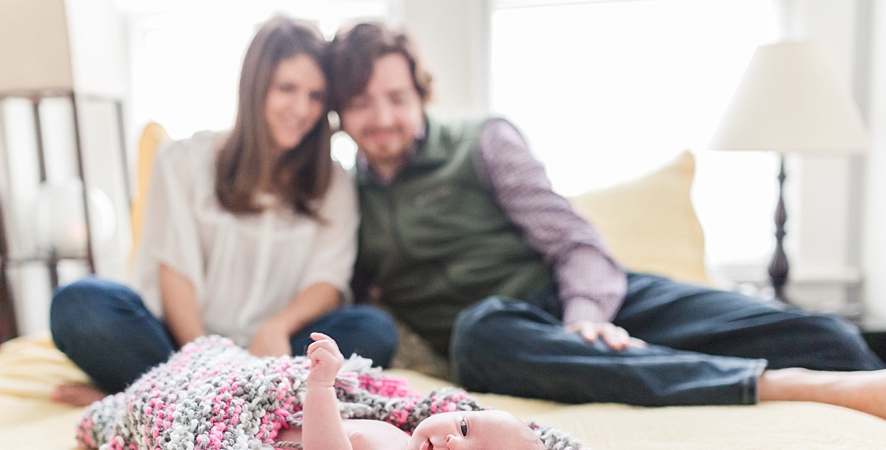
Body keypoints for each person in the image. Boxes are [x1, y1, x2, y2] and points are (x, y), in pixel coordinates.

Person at [327, 21, 886, 421]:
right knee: (477, 335)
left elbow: (576, 244)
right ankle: (768, 385)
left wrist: (586, 318)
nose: (381, 119)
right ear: (340, 115)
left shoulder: (482, 141)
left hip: (581, 301)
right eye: (361, 104)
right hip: (508, 337)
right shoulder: (344, 198)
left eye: (396, 98)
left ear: (420, 94)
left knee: (826, 335)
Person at [49, 17, 398, 407]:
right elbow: (175, 272)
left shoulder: (333, 181)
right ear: (255, 86)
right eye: (287, 88)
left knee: (375, 331)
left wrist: (277, 326)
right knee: (78, 305)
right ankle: (220, 401)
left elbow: (328, 281)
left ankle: (149, 401)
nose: (302, 108)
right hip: (180, 347)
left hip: (274, 353)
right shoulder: (181, 161)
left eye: (316, 96)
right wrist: (204, 362)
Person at [272, 333, 549, 450]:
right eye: (464, 428)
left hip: (265, 438)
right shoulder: (404, 439)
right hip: (277, 408)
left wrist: (321, 386)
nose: (454, 445)